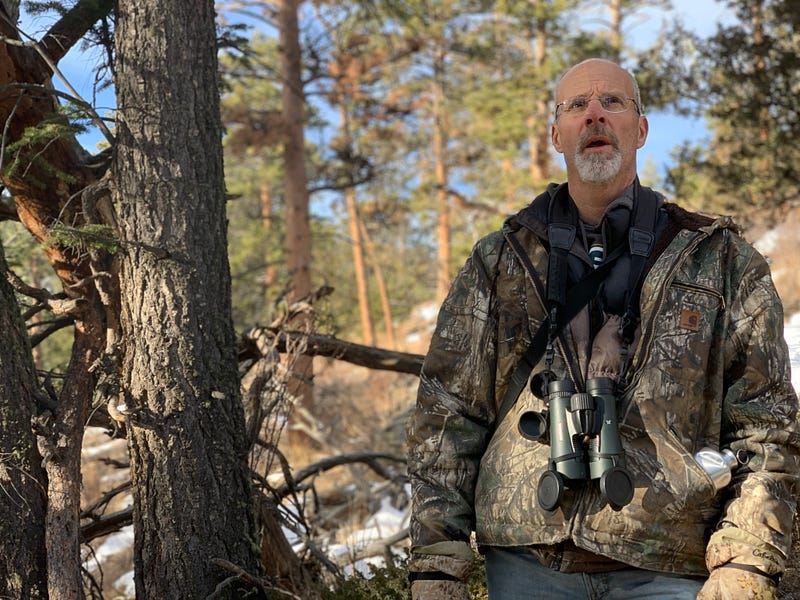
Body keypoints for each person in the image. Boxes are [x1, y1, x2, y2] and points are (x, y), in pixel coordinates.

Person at [406, 57, 800, 600]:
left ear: (640, 129)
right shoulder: (500, 262)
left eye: (612, 102)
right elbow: (447, 412)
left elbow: (769, 426)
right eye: (576, 106)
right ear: (556, 134)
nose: (595, 115)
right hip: (526, 564)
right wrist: (436, 562)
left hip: (668, 562)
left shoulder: (722, 261)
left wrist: (747, 563)